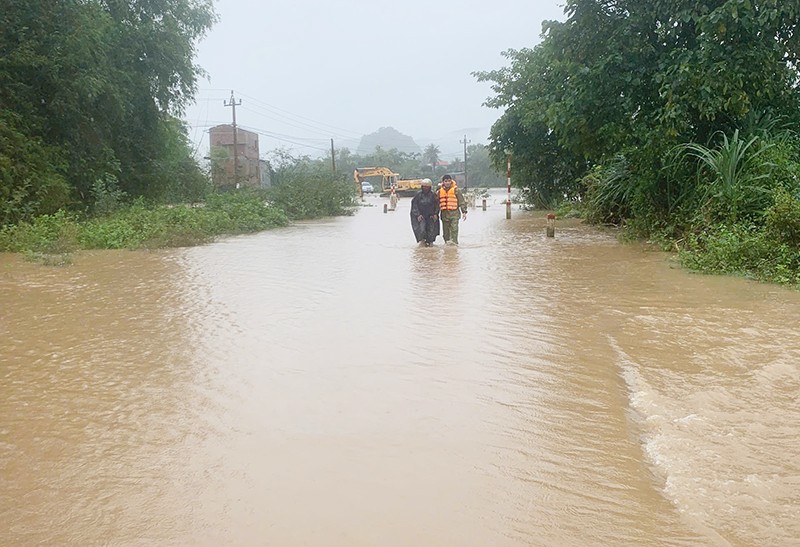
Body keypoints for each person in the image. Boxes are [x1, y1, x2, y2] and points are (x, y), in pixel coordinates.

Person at [437, 174, 467, 245]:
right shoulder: (440, 192)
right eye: (446, 181)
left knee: (454, 230)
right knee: (446, 233)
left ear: (451, 181)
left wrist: (464, 212)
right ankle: (447, 246)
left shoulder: (456, 190)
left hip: (454, 214)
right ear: (443, 182)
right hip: (444, 214)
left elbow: (461, 201)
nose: (447, 183)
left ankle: (454, 244)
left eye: (449, 181)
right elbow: (437, 203)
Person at [410, 179, 439, 246]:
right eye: (424, 186)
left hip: (430, 216)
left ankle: (430, 244)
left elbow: (437, 205)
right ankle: (422, 242)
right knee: (421, 230)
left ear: (430, 187)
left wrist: (435, 213)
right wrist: (418, 214)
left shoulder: (433, 195)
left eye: (427, 187)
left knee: (431, 231)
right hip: (421, 216)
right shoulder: (418, 195)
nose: (425, 188)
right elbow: (414, 206)